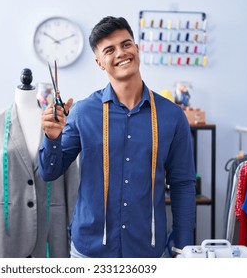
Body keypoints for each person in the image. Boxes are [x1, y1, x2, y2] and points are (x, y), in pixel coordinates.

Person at [38, 16, 196, 258]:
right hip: (89, 252)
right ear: (100, 62)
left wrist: (182, 245)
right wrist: (52, 138)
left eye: (126, 44)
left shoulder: (172, 116)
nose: (121, 53)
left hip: (147, 251)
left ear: (137, 48)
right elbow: (49, 172)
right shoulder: (83, 112)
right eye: (109, 50)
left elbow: (182, 183)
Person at [0, 69, 79, 258]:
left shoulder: (59, 124)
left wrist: (76, 238)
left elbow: (72, 185)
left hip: (51, 234)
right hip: (4, 234)